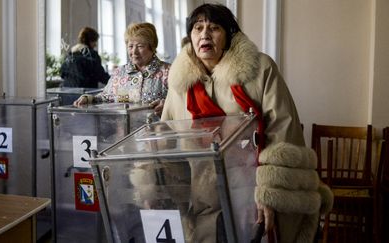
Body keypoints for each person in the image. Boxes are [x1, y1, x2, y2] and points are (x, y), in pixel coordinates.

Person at [160, 3, 333, 243]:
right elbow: (165, 142)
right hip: (204, 202)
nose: (205, 34)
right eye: (198, 28)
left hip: (253, 197)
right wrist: (160, 195)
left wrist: (269, 195)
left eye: (214, 27)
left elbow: (283, 132)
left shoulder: (260, 69)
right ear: (190, 37)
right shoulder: (180, 85)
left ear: (229, 35)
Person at [73, 22, 170, 116]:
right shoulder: (119, 73)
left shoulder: (168, 72)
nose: (134, 52)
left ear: (152, 47)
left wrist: (168, 105)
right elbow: (107, 97)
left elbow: (182, 102)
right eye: (130, 46)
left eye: (140, 46)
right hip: (125, 130)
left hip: (156, 130)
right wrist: (88, 99)